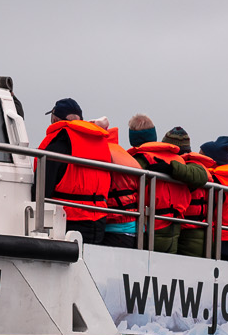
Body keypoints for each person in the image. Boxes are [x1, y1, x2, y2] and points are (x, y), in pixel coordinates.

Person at [34, 98, 118, 244]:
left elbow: (42, 187)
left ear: (55, 120)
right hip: (98, 221)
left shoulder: (59, 144)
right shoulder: (100, 141)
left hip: (69, 220)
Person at [128, 127, 210, 254]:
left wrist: (170, 168)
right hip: (175, 226)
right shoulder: (185, 166)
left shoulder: (185, 165)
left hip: (158, 225)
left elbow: (201, 175)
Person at [165, 127, 216, 258]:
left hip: (190, 232)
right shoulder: (195, 166)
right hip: (195, 229)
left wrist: (169, 168)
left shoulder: (189, 168)